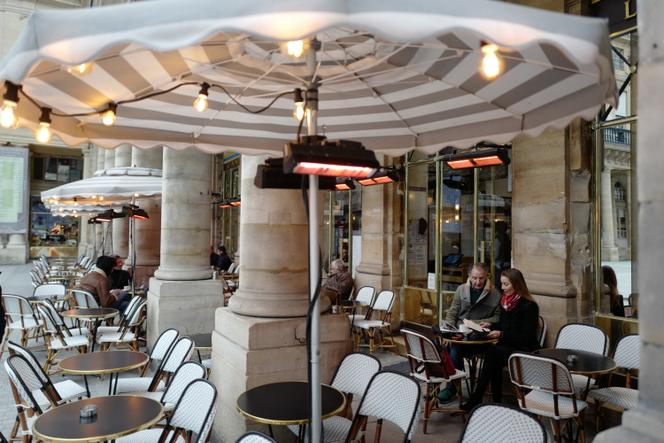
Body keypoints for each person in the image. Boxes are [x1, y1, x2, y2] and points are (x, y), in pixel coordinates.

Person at [461, 268, 540, 412]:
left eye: (506, 284)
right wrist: (491, 325)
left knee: (493, 352)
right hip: (507, 347)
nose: (503, 288)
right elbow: (505, 326)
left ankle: (477, 398)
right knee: (493, 353)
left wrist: (501, 334)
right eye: (502, 284)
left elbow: (526, 336)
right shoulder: (505, 302)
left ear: (517, 284)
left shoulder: (529, 306)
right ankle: (495, 401)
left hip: (524, 349)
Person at [437, 263, 501, 401]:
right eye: (474, 278)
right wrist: (447, 328)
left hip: (480, 339)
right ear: (469, 276)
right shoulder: (461, 290)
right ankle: (452, 385)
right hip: (461, 334)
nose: (477, 282)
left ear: (487, 277)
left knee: (454, 349)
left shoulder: (495, 294)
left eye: (481, 278)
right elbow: (452, 312)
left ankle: (452, 387)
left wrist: (486, 322)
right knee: (447, 347)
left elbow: (498, 316)